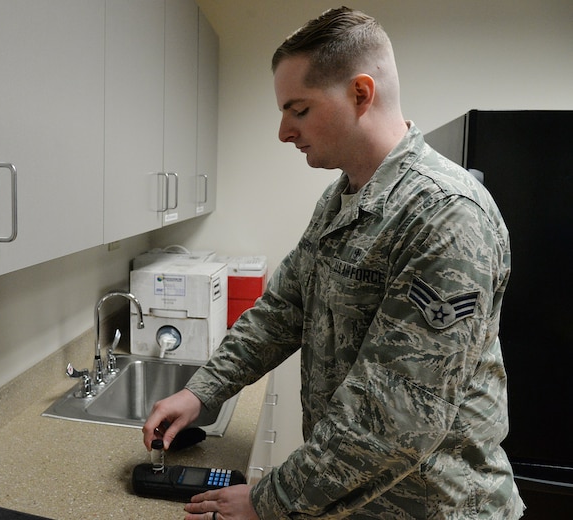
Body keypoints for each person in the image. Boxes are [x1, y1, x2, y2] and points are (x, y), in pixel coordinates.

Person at [142, 6, 526, 519]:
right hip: (355, 501)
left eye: (297, 110)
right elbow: (281, 310)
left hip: (438, 507)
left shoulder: (445, 216)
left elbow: (394, 416)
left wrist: (270, 500)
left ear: (360, 94)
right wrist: (202, 392)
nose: (283, 131)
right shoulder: (340, 200)